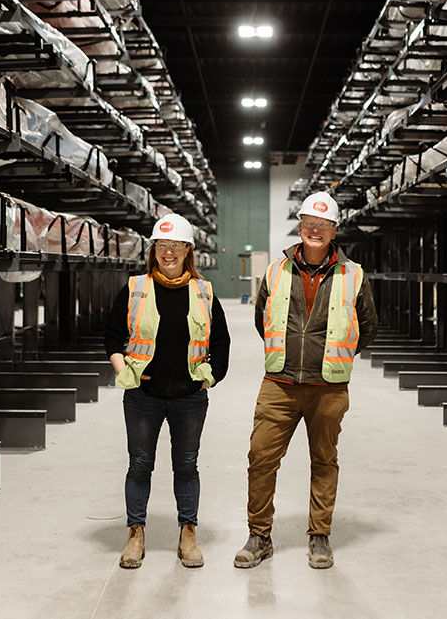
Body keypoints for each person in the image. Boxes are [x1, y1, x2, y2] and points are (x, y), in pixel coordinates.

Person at [234, 191, 377, 570]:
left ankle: (319, 536)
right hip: (279, 384)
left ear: (334, 231)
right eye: (309, 224)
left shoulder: (354, 274)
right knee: (261, 458)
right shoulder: (276, 270)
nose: (315, 230)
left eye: (323, 225)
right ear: (300, 227)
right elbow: (262, 318)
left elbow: (368, 326)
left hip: (328, 386)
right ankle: (259, 535)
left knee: (324, 460)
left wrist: (334, 354)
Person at [104, 213, 230, 570]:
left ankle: (188, 533)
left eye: (176, 245)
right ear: (154, 249)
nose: (169, 252)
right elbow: (112, 334)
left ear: (188, 250)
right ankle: (135, 534)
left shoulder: (203, 291)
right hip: (143, 397)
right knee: (140, 464)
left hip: (189, 397)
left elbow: (220, 341)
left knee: (186, 465)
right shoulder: (134, 288)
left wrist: (211, 377)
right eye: (162, 245)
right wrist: (122, 367)